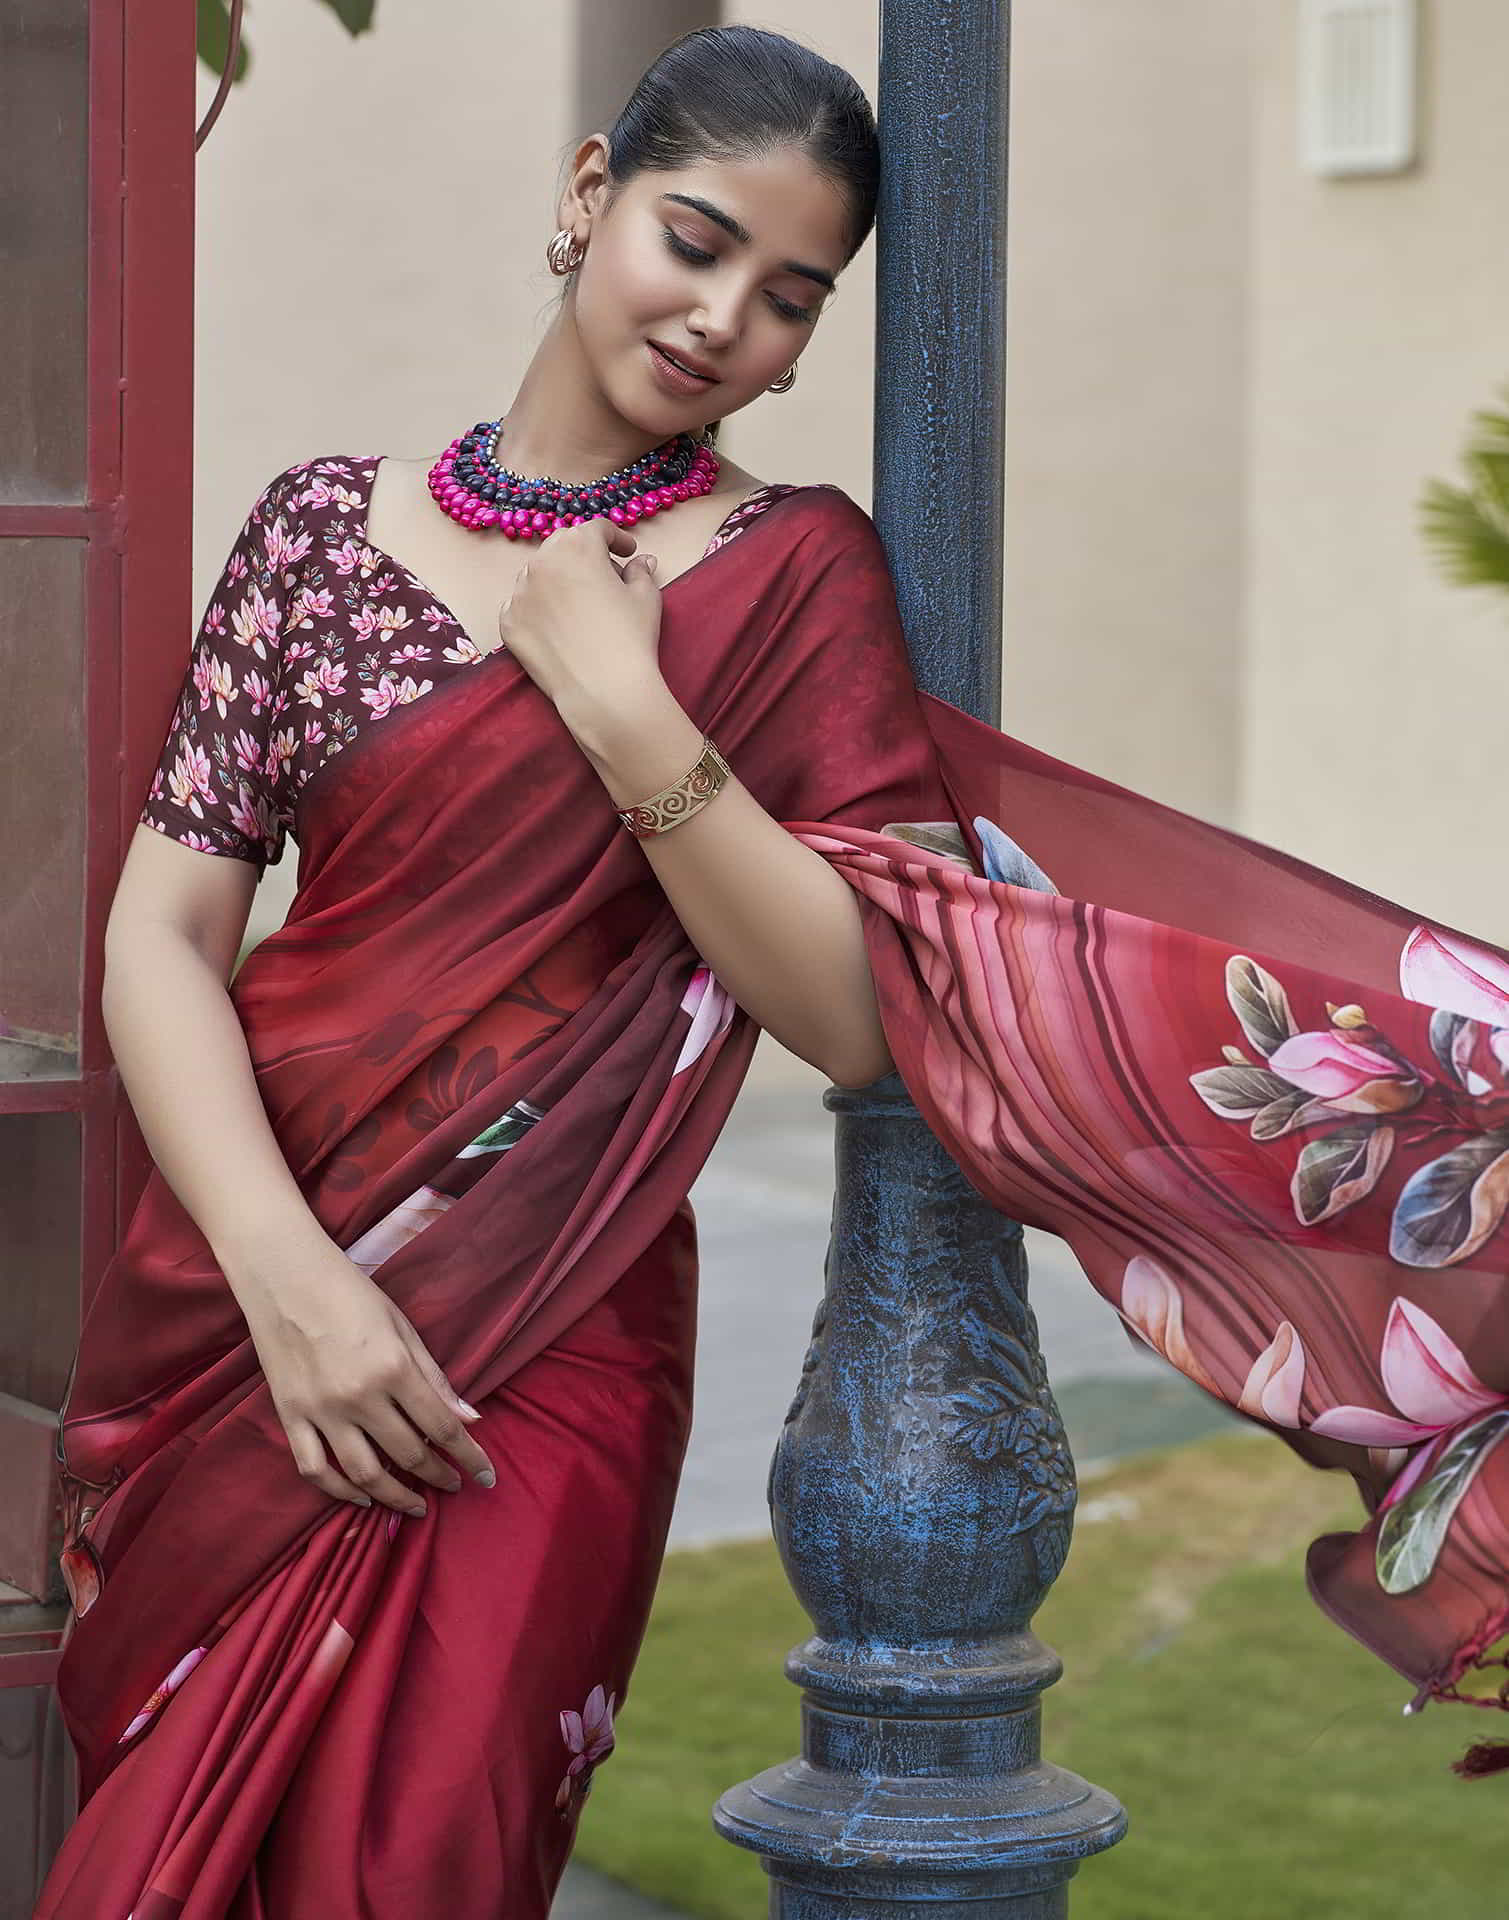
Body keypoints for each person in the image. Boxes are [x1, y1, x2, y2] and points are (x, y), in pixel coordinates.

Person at [35, 22, 1509, 1920]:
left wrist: (620, 703)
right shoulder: (319, 534)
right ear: (587, 199)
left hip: (545, 1343)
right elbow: (166, 929)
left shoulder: (790, 576)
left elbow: (847, 1005)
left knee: (419, 1863)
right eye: (696, 238)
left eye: (791, 295)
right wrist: (292, 1282)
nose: (727, 314)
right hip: (246, 1300)